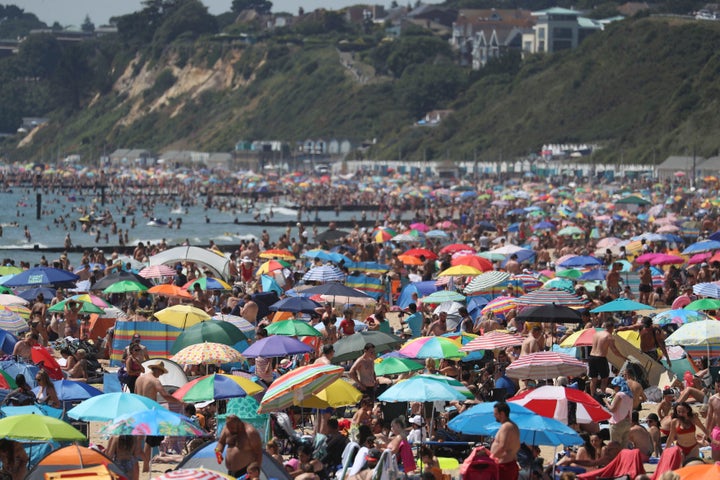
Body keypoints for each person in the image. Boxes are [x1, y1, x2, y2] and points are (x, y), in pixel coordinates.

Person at [135, 361, 184, 472]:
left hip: (139, 411)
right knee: (149, 442)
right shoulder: (154, 381)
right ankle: (146, 466)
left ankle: (144, 466)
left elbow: (135, 394)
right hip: (150, 412)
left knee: (138, 442)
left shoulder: (139, 379)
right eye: (161, 372)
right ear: (157, 370)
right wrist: (179, 402)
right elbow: (165, 395)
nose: (161, 375)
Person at [588, 320, 626, 397]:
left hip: (591, 357)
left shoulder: (596, 334)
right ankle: (603, 396)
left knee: (593, 379)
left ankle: (592, 396)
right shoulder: (609, 336)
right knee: (604, 378)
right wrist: (623, 357)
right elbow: (614, 350)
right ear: (611, 328)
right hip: (601, 358)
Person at [490, 402, 520, 480]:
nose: (494, 416)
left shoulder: (506, 426)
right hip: (510, 464)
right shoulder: (513, 426)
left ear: (502, 414)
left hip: (504, 466)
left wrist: (491, 458)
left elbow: (502, 446)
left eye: (496, 413)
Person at [606, 376, 633, 448]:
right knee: (624, 446)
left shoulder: (619, 395)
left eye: (614, 386)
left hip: (617, 422)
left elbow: (613, 409)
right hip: (627, 422)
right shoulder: (629, 395)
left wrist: (606, 402)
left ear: (618, 386)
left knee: (614, 446)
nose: (614, 388)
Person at [706, 377, 720, 461]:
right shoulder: (712, 399)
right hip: (717, 431)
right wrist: (706, 432)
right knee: (716, 460)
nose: (719, 384)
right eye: (718, 381)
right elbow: (709, 416)